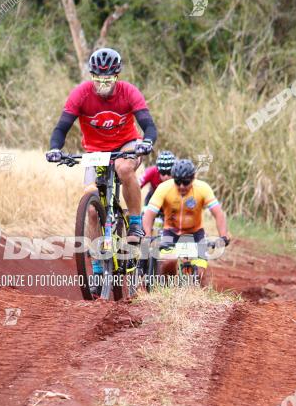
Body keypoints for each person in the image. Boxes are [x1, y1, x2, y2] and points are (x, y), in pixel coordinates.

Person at [45, 46, 157, 244]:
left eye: (108, 80)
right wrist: (55, 149)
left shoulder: (129, 92)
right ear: (92, 76)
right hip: (95, 151)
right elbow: (61, 128)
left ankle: (135, 222)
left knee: (124, 168)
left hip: (126, 144)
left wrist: (147, 142)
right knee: (91, 209)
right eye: (98, 79)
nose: (102, 84)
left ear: (117, 76)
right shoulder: (81, 94)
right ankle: (97, 267)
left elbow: (148, 124)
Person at [142, 159, 229, 284]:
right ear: (173, 178)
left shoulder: (203, 188)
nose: (181, 186)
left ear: (193, 178)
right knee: (169, 262)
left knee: (200, 274)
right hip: (170, 232)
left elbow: (218, 213)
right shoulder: (164, 188)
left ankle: (195, 297)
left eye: (186, 182)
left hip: (196, 233)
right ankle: (167, 291)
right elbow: (149, 214)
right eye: (178, 182)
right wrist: (147, 235)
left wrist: (223, 235)